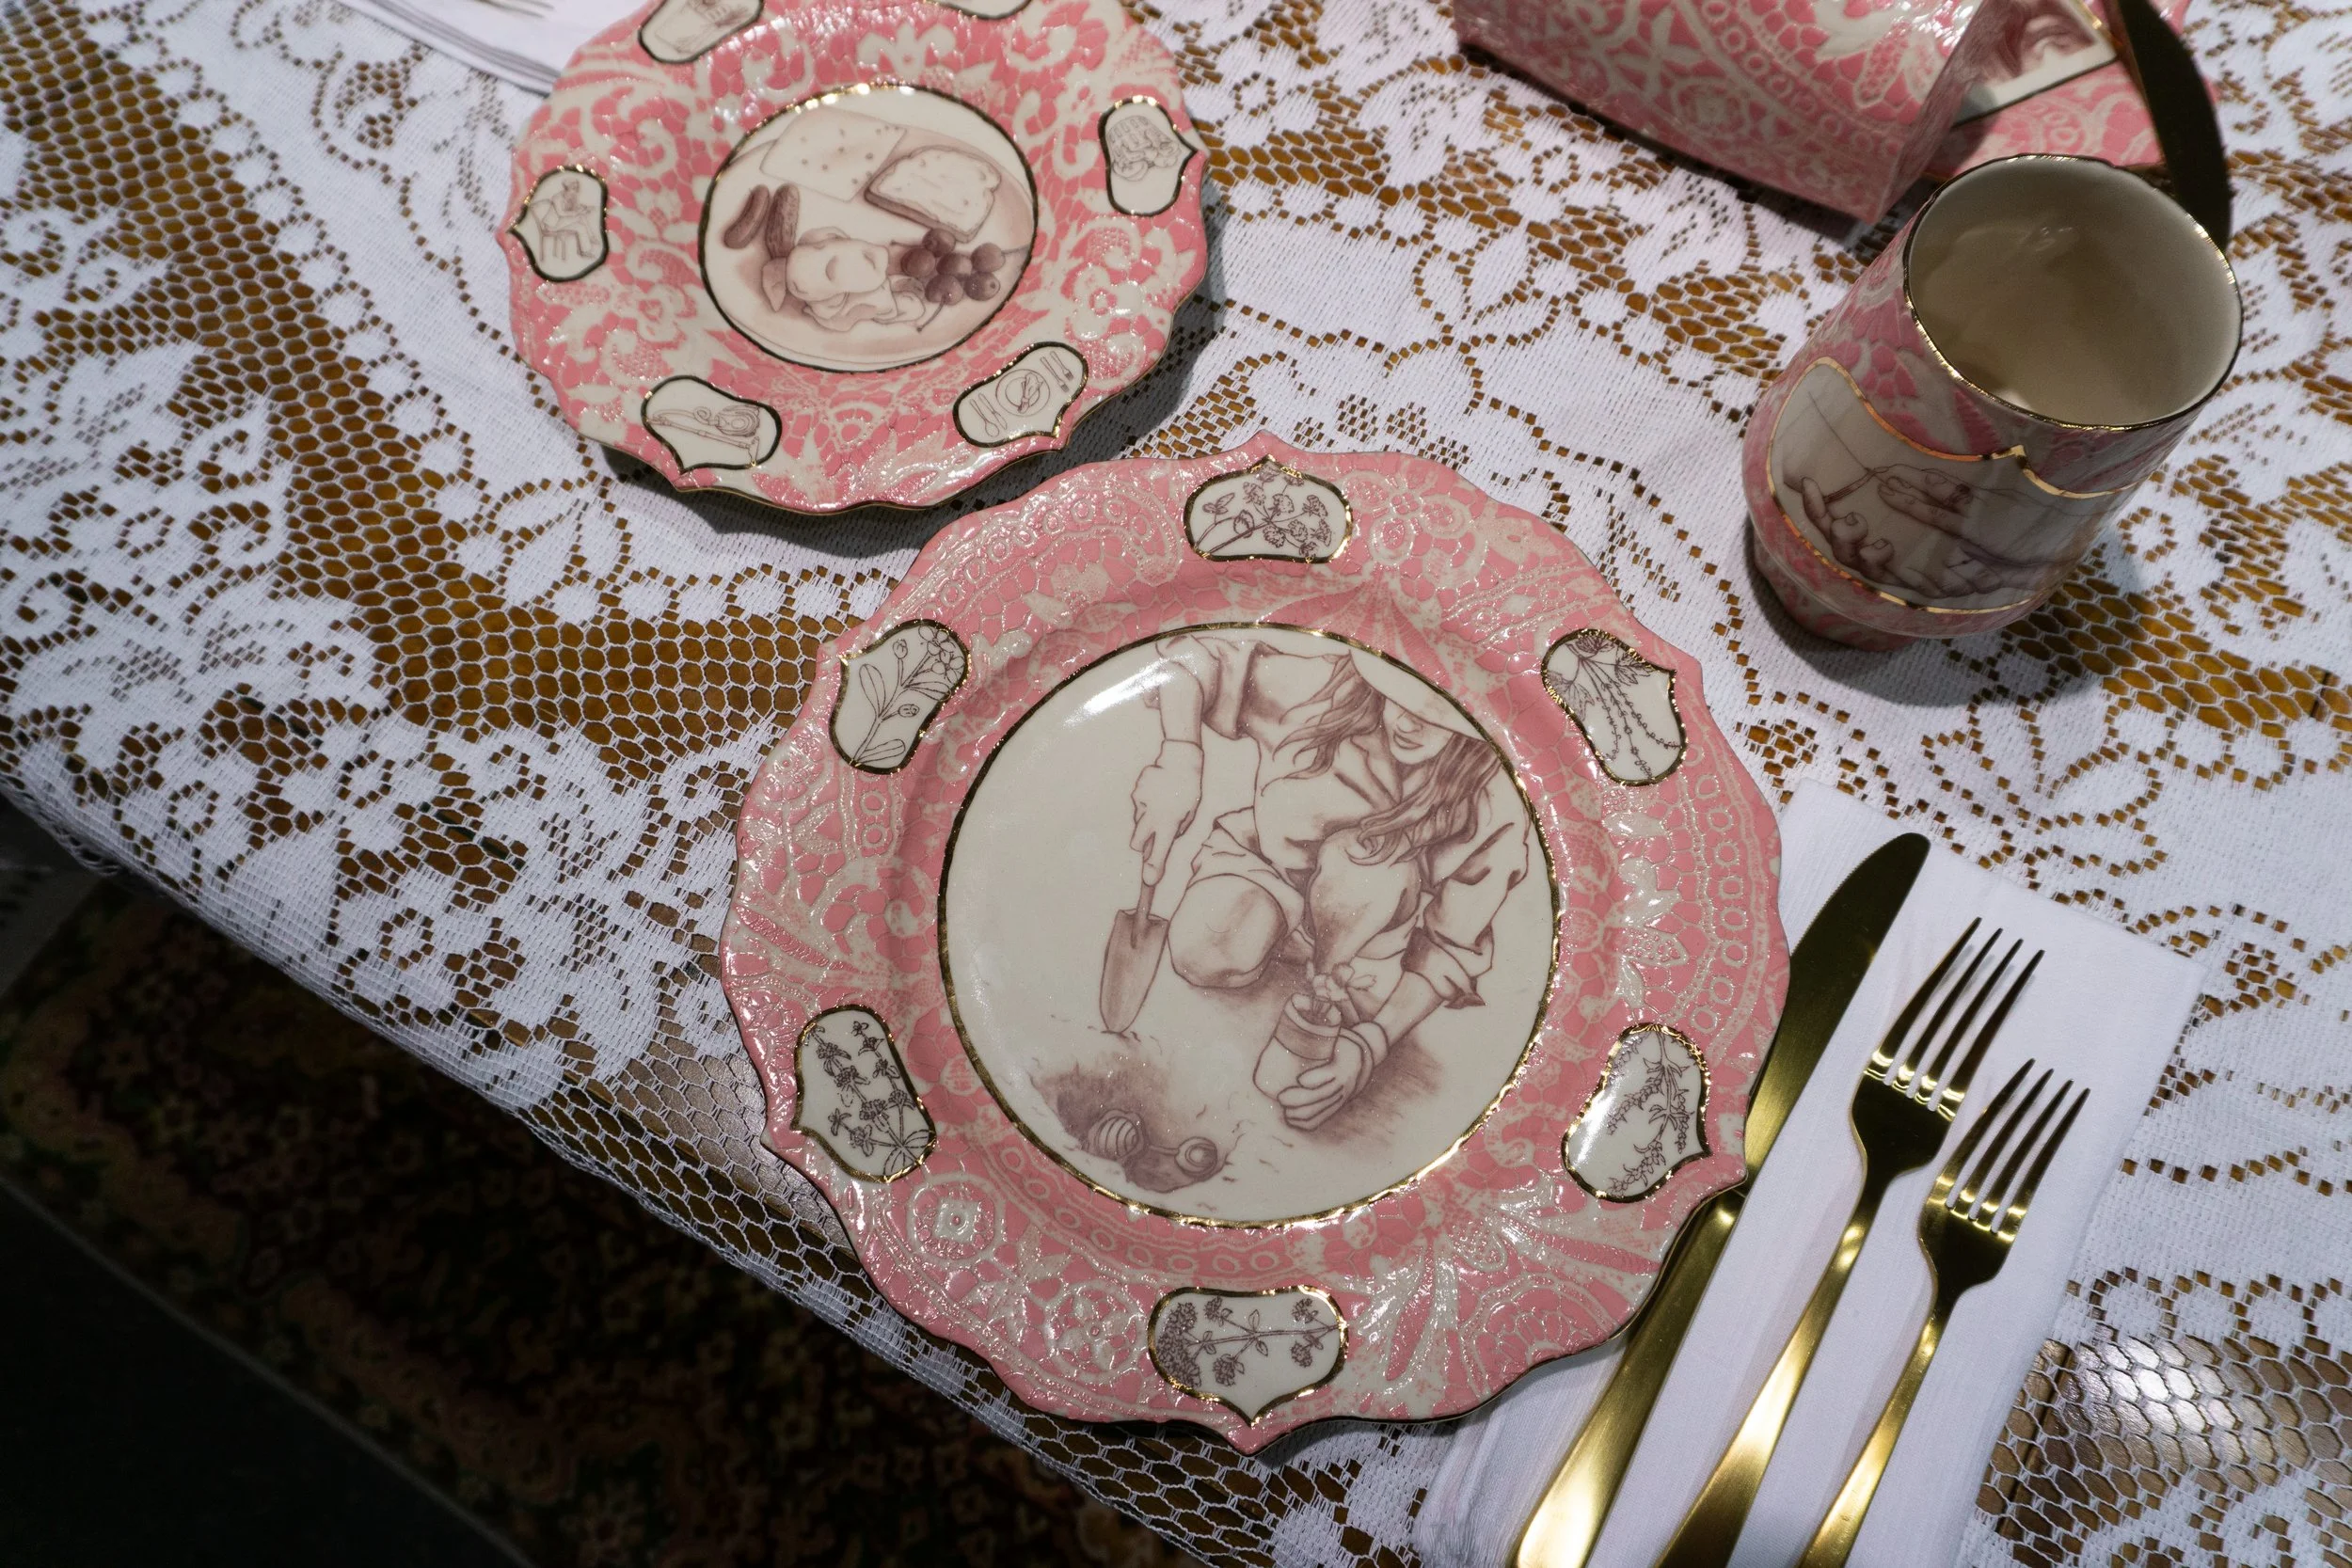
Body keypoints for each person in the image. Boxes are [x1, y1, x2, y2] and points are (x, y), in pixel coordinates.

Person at [1127, 631, 1532, 1130]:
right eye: (1403, 695)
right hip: (1264, 864)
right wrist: (1180, 756)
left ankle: (1327, 976)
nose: (1410, 719)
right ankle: (1288, 947)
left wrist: (1369, 1046)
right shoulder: (1325, 688)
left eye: (1441, 712)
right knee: (1203, 950)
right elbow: (1193, 657)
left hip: (1372, 928)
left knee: (1364, 862)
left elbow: (1453, 942)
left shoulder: (1496, 802)